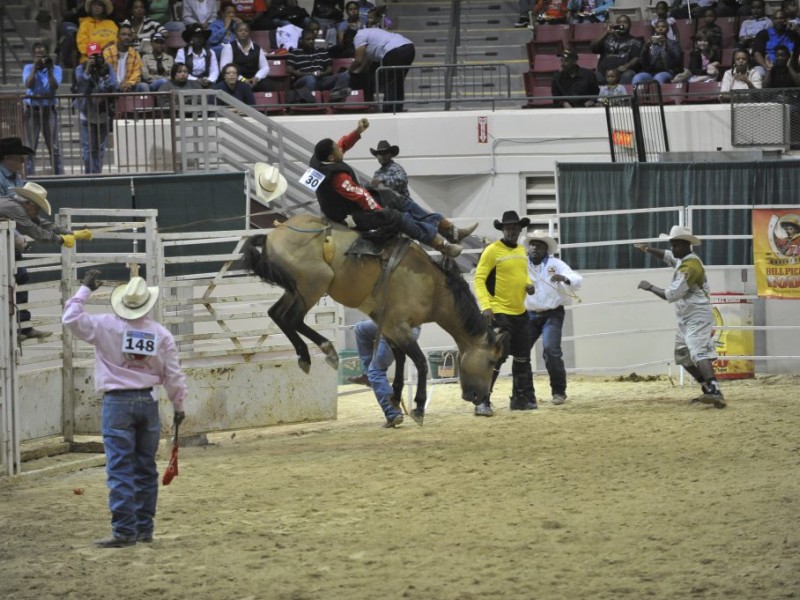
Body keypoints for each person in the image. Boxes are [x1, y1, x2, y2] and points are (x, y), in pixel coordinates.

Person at [62, 269, 187, 547]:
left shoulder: (105, 325)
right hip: (148, 401)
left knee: (120, 467)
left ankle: (124, 531)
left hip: (117, 402)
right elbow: (173, 375)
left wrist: (84, 290)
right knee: (145, 467)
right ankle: (144, 529)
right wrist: (178, 405)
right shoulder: (161, 334)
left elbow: (70, 318)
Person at [309, 119, 463, 257]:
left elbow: (342, 143)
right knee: (396, 217)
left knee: (396, 199)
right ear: (331, 158)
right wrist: (380, 211)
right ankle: (442, 246)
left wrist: (357, 132)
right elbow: (360, 195)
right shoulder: (338, 177)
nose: (340, 148)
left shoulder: (319, 159)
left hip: (350, 204)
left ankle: (448, 230)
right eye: (336, 149)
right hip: (350, 215)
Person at [635, 226, 725, 409]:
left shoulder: (689, 267)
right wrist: (649, 249)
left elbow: (672, 294)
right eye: (672, 245)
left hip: (696, 315)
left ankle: (715, 389)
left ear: (685, 245)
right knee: (683, 356)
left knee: (698, 352)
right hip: (688, 317)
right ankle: (707, 388)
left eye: (675, 245)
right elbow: (668, 256)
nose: (673, 249)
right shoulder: (684, 260)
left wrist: (649, 286)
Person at [0, 182, 91, 341]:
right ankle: (15, 328)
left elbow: (42, 223)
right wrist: (61, 240)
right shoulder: (15, 209)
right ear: (29, 203)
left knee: (19, 277)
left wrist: (72, 233)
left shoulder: (17, 207)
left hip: (5, 244)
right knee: (14, 279)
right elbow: (35, 231)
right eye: (38, 208)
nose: (38, 212)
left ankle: (22, 327)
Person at [473, 210, 536, 416]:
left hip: (520, 312)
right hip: (499, 312)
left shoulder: (520, 250)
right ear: (503, 229)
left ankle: (518, 398)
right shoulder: (492, 250)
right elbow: (479, 279)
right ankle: (482, 401)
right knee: (496, 357)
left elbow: (523, 275)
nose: (512, 231)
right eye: (508, 228)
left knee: (522, 358)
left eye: (515, 228)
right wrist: (486, 305)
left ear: (520, 229)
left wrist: (528, 285)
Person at [369, 139, 477, 244]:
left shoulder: (395, 168)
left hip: (403, 203)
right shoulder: (377, 173)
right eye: (379, 154)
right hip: (391, 209)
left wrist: (382, 181)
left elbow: (402, 180)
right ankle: (451, 236)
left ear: (390, 154)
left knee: (426, 219)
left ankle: (450, 238)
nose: (382, 156)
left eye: (384, 153)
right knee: (422, 222)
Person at [525, 230, 582, 406]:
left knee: (551, 350)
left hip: (552, 313)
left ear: (546, 249)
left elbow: (576, 278)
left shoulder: (556, 264)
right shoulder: (521, 264)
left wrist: (565, 278)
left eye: (539, 245)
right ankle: (525, 393)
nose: (535, 248)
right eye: (533, 244)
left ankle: (558, 391)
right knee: (521, 352)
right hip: (528, 314)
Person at [352, 319, 419, 428]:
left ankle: (392, 413)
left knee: (375, 371)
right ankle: (367, 374)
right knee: (361, 328)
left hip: (394, 327)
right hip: (407, 325)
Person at [74, 42, 117, 174]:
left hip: (102, 113)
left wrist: (105, 77)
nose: (95, 58)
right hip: (87, 113)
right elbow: (82, 87)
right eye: (92, 56)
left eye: (98, 55)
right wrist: (88, 70)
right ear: (87, 56)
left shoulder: (107, 68)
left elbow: (115, 86)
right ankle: (89, 175)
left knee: (100, 149)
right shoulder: (81, 69)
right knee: (88, 150)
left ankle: (97, 175)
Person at [349, 27, 414, 113]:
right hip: (409, 47)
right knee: (397, 81)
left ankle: (389, 109)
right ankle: (397, 107)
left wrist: (349, 71)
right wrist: (359, 70)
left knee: (390, 81)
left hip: (395, 50)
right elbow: (366, 61)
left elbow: (358, 60)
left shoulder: (359, 36)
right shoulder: (369, 33)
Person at [22, 43, 63, 176]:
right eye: (38, 56)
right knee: (29, 148)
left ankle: (59, 176)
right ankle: (29, 177)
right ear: (33, 56)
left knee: (54, 147)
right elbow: (28, 83)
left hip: (48, 111)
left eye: (43, 55)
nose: (41, 58)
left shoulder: (56, 68)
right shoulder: (28, 68)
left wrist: (49, 69)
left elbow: (54, 86)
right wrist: (35, 67)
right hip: (32, 111)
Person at [286, 28, 349, 98]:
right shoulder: (295, 53)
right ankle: (312, 102)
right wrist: (304, 74)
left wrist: (322, 74)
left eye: (313, 39)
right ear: (302, 41)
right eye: (308, 39)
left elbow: (329, 69)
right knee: (310, 79)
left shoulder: (322, 51)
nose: (311, 41)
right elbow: (289, 69)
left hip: (321, 79)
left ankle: (335, 94)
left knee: (345, 75)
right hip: (303, 80)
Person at [219, 21, 275, 92]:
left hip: (254, 80)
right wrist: (242, 79)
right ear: (235, 33)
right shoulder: (229, 48)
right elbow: (224, 68)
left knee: (268, 85)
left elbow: (265, 67)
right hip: (236, 79)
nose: (243, 32)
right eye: (240, 31)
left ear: (250, 33)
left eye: (246, 31)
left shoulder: (257, 48)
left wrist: (257, 78)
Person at [591, 15, 643, 85]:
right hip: (604, 74)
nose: (622, 24)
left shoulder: (635, 42)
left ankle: (621, 95)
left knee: (628, 75)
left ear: (630, 25)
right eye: (620, 22)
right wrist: (606, 32)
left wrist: (627, 66)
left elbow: (637, 57)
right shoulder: (606, 39)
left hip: (622, 74)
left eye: (625, 22)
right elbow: (593, 47)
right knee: (593, 75)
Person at [102, 21, 149, 92]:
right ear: (117, 36)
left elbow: (137, 74)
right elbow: (105, 73)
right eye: (123, 34)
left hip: (129, 85)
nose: (126, 37)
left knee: (143, 86)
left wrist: (128, 83)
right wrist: (117, 84)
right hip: (112, 85)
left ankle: (147, 103)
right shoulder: (108, 52)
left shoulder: (135, 54)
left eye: (129, 35)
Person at [632, 19, 683, 86]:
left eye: (663, 27)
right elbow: (643, 62)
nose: (660, 29)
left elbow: (676, 61)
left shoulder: (673, 43)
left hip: (668, 71)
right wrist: (646, 48)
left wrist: (666, 46)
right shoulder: (650, 44)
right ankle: (637, 96)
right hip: (650, 72)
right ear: (655, 29)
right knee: (637, 78)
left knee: (658, 78)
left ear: (667, 29)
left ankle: (658, 96)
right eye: (658, 27)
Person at [752, 11, 799, 77]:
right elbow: (757, 53)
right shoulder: (763, 34)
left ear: (786, 20)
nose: (778, 21)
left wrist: (796, 29)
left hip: (789, 66)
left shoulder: (792, 34)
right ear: (772, 20)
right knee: (758, 72)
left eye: (781, 18)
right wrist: (767, 67)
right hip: (768, 66)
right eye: (776, 18)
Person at [175, 22, 219, 87]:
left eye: (201, 36)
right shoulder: (182, 52)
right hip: (188, 82)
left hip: (206, 82)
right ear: (190, 39)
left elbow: (214, 70)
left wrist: (209, 80)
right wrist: (196, 80)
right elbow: (180, 71)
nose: (199, 39)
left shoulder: (210, 52)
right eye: (196, 36)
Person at [76, 0, 118, 64]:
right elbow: (82, 46)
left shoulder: (111, 23)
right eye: (94, 5)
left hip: (114, 57)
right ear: (90, 7)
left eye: (99, 5)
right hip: (91, 60)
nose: (97, 7)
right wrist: (102, 50)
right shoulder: (85, 24)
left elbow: (119, 40)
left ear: (104, 9)